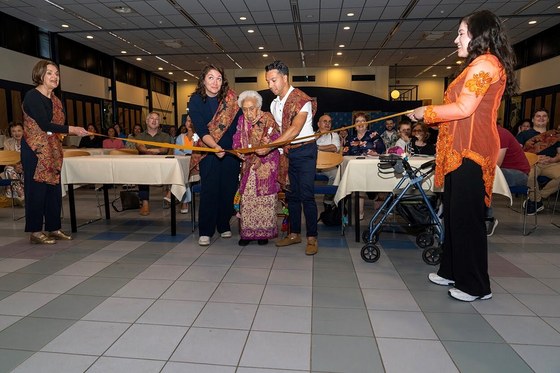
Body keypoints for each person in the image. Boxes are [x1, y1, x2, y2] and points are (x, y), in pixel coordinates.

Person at [408, 10, 517, 301]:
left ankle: (476, 286)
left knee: (467, 219)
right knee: (455, 216)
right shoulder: (477, 64)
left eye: (461, 33)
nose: (456, 39)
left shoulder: (485, 64)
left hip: (473, 151)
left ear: (478, 35)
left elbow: (464, 109)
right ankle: (452, 270)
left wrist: (425, 112)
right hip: (459, 150)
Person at [21, 60, 89, 244]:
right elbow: (44, 124)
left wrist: (70, 129)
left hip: (53, 151)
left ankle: (53, 228)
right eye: (50, 73)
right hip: (35, 151)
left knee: (53, 190)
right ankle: (35, 231)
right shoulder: (32, 96)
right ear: (40, 75)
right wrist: (72, 129)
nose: (55, 77)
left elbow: (56, 127)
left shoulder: (56, 100)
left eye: (57, 73)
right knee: (36, 191)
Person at [257, 60, 318, 255]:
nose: (270, 85)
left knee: (307, 195)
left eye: (273, 80)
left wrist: (268, 147)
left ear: (285, 78)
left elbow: (293, 130)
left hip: (305, 151)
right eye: (268, 81)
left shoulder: (302, 100)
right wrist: (268, 139)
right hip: (287, 153)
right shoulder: (275, 104)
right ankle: (294, 234)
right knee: (291, 195)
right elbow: (278, 132)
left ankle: (312, 238)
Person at [188, 64, 241, 246]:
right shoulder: (195, 100)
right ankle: (206, 230)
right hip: (209, 152)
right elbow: (201, 129)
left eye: (219, 78)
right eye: (211, 77)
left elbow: (239, 126)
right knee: (210, 191)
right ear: (203, 80)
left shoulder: (231, 100)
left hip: (230, 153)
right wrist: (215, 147)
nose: (215, 82)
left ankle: (224, 224)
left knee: (228, 189)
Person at [233, 90, 281, 246]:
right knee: (247, 200)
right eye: (245, 109)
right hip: (248, 167)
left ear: (258, 107)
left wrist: (262, 159)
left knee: (264, 200)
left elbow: (275, 140)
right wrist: (238, 151)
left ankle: (263, 234)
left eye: (251, 108)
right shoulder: (241, 120)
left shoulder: (267, 119)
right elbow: (237, 138)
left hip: (265, 166)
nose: (248, 112)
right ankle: (247, 234)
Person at [485, 125, 531, 236]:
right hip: (502, 171)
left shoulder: (501, 134)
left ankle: (487, 218)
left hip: (519, 174)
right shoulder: (483, 133)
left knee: (482, 177)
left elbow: (497, 163)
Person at [517, 109, 560, 215]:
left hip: (550, 163)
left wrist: (553, 159)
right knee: (529, 175)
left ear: (548, 119)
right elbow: (517, 153)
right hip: (532, 163)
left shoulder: (555, 135)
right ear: (533, 119)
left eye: (544, 116)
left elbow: (559, 154)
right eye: (538, 116)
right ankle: (537, 201)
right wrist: (534, 158)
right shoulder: (524, 134)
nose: (541, 118)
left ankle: (536, 200)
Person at [343, 112, 384, 220]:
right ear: (354, 124)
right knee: (358, 181)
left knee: (361, 181)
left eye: (363, 121)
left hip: (372, 166)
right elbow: (345, 153)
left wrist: (373, 153)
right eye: (357, 121)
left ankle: (375, 197)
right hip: (356, 167)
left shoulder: (373, 134)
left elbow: (381, 149)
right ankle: (359, 212)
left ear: (367, 123)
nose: (360, 123)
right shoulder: (350, 138)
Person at [135, 112, 172, 216]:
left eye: (156, 119)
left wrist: (149, 150)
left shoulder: (165, 136)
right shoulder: (140, 135)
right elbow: (140, 147)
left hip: (161, 166)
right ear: (147, 121)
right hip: (145, 166)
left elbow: (164, 149)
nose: (154, 121)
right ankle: (145, 203)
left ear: (159, 122)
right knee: (141, 173)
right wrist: (155, 150)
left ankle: (170, 195)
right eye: (151, 118)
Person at [171, 116, 196, 214]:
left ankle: (178, 198)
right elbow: (176, 152)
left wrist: (184, 151)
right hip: (184, 164)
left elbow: (198, 153)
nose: (189, 123)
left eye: (192, 121)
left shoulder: (200, 137)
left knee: (182, 173)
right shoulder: (180, 137)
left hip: (196, 165)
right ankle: (184, 201)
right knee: (182, 172)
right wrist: (187, 153)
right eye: (188, 121)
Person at [316, 114, 340, 208]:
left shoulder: (334, 135)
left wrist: (317, 147)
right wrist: (317, 136)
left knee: (336, 175)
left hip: (328, 165)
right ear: (318, 124)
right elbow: (308, 146)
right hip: (313, 165)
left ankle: (327, 201)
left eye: (329, 122)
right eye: (325, 121)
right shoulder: (312, 134)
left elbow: (335, 148)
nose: (327, 124)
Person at [2, 122, 25, 203]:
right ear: (11, 133)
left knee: (28, 168)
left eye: (19, 130)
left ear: (23, 131)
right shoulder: (7, 142)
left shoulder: (29, 142)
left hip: (27, 166)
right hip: (13, 166)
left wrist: (22, 165)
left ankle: (23, 196)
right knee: (8, 169)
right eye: (14, 131)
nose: (17, 133)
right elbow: (6, 159)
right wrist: (15, 166)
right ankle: (21, 194)